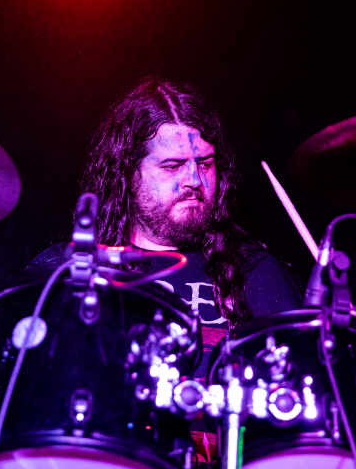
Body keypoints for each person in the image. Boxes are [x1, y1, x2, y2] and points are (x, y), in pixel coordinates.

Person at [31, 77, 301, 374]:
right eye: (172, 166)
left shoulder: (256, 272)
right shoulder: (63, 271)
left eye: (205, 164)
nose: (194, 180)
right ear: (128, 174)